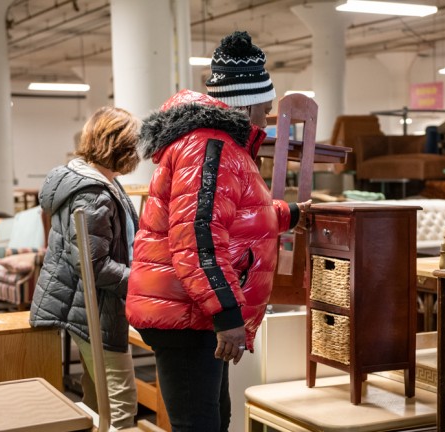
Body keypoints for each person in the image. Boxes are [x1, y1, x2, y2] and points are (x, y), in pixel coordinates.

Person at [125, 30, 311, 432]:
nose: (267, 118)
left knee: (214, 419)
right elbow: (197, 236)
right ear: (247, 107)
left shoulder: (220, 147)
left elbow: (234, 218)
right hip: (191, 314)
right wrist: (227, 314)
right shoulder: (211, 147)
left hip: (194, 310)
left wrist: (289, 214)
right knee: (200, 425)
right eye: (264, 108)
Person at [29, 106, 140, 429]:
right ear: (119, 147)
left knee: (98, 401)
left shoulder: (92, 182)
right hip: (91, 308)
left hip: (83, 306)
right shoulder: (93, 193)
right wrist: (141, 282)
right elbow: (95, 267)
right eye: (134, 145)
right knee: (120, 403)